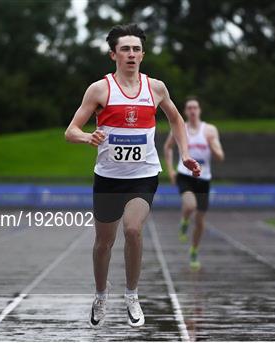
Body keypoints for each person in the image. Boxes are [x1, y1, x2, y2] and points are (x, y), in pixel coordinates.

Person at [65, 24, 200, 328]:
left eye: (136, 49)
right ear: (113, 54)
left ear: (143, 54)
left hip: (143, 175)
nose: (131, 54)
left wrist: (186, 153)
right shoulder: (100, 89)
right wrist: (88, 138)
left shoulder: (156, 88)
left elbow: (176, 121)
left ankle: (132, 294)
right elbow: (70, 131)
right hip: (108, 178)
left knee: (133, 230)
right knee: (103, 243)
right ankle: (101, 294)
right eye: (125, 49)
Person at [163, 96, 224, 270]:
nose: (192, 111)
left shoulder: (210, 130)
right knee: (190, 205)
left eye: (195, 108)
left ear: (199, 110)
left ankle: (194, 250)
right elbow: (168, 147)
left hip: (203, 178)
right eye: (189, 108)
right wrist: (171, 170)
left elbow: (220, 156)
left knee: (200, 219)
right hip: (185, 175)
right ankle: (184, 220)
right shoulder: (180, 128)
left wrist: (212, 146)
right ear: (185, 111)